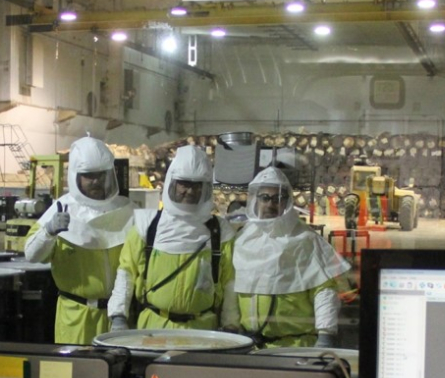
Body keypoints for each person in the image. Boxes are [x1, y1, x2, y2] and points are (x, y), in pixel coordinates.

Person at [107, 144, 237, 331]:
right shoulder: (147, 226)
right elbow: (127, 272)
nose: (189, 192)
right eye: (183, 184)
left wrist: (231, 323)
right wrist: (118, 315)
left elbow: (229, 282)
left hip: (203, 331)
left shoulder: (221, 232)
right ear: (171, 183)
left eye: (196, 185)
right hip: (153, 329)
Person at [23, 135, 134, 343]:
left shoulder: (126, 210)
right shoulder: (60, 209)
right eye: (88, 175)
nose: (96, 181)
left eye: (101, 175)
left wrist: (121, 314)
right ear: (75, 176)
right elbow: (31, 255)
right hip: (75, 317)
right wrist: (48, 231)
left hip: (118, 316)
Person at [232, 166, 352, 348]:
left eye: (278, 198)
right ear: (256, 199)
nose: (270, 204)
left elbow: (324, 291)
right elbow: (230, 286)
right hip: (251, 348)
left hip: (295, 348)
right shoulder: (243, 240)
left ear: (287, 202)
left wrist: (325, 336)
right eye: (265, 198)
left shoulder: (305, 239)